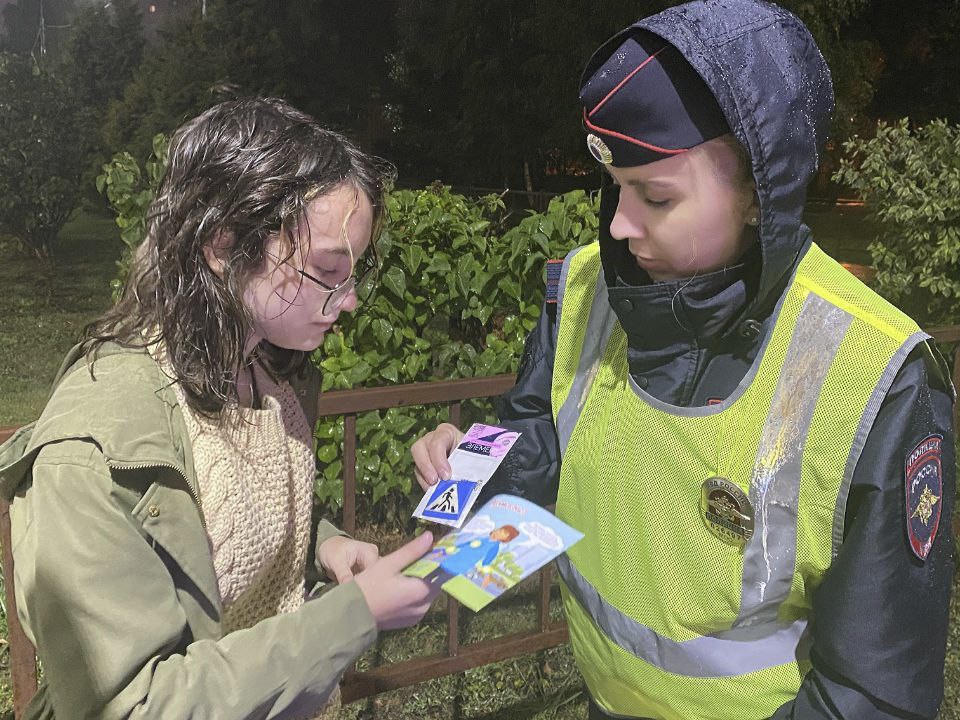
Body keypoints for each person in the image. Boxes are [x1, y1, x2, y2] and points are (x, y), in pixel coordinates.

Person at [412, 2, 955, 719]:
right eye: (616, 187)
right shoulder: (582, 288)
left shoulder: (878, 378)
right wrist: (467, 492)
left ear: (760, 195)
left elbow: (869, 694)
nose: (617, 224)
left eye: (655, 196)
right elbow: (537, 452)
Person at [0, 97, 441, 719]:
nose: (349, 302)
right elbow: (134, 706)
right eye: (327, 270)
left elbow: (227, 519)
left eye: (355, 274)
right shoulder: (93, 453)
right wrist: (353, 615)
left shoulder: (268, 369)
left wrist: (323, 543)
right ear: (223, 244)